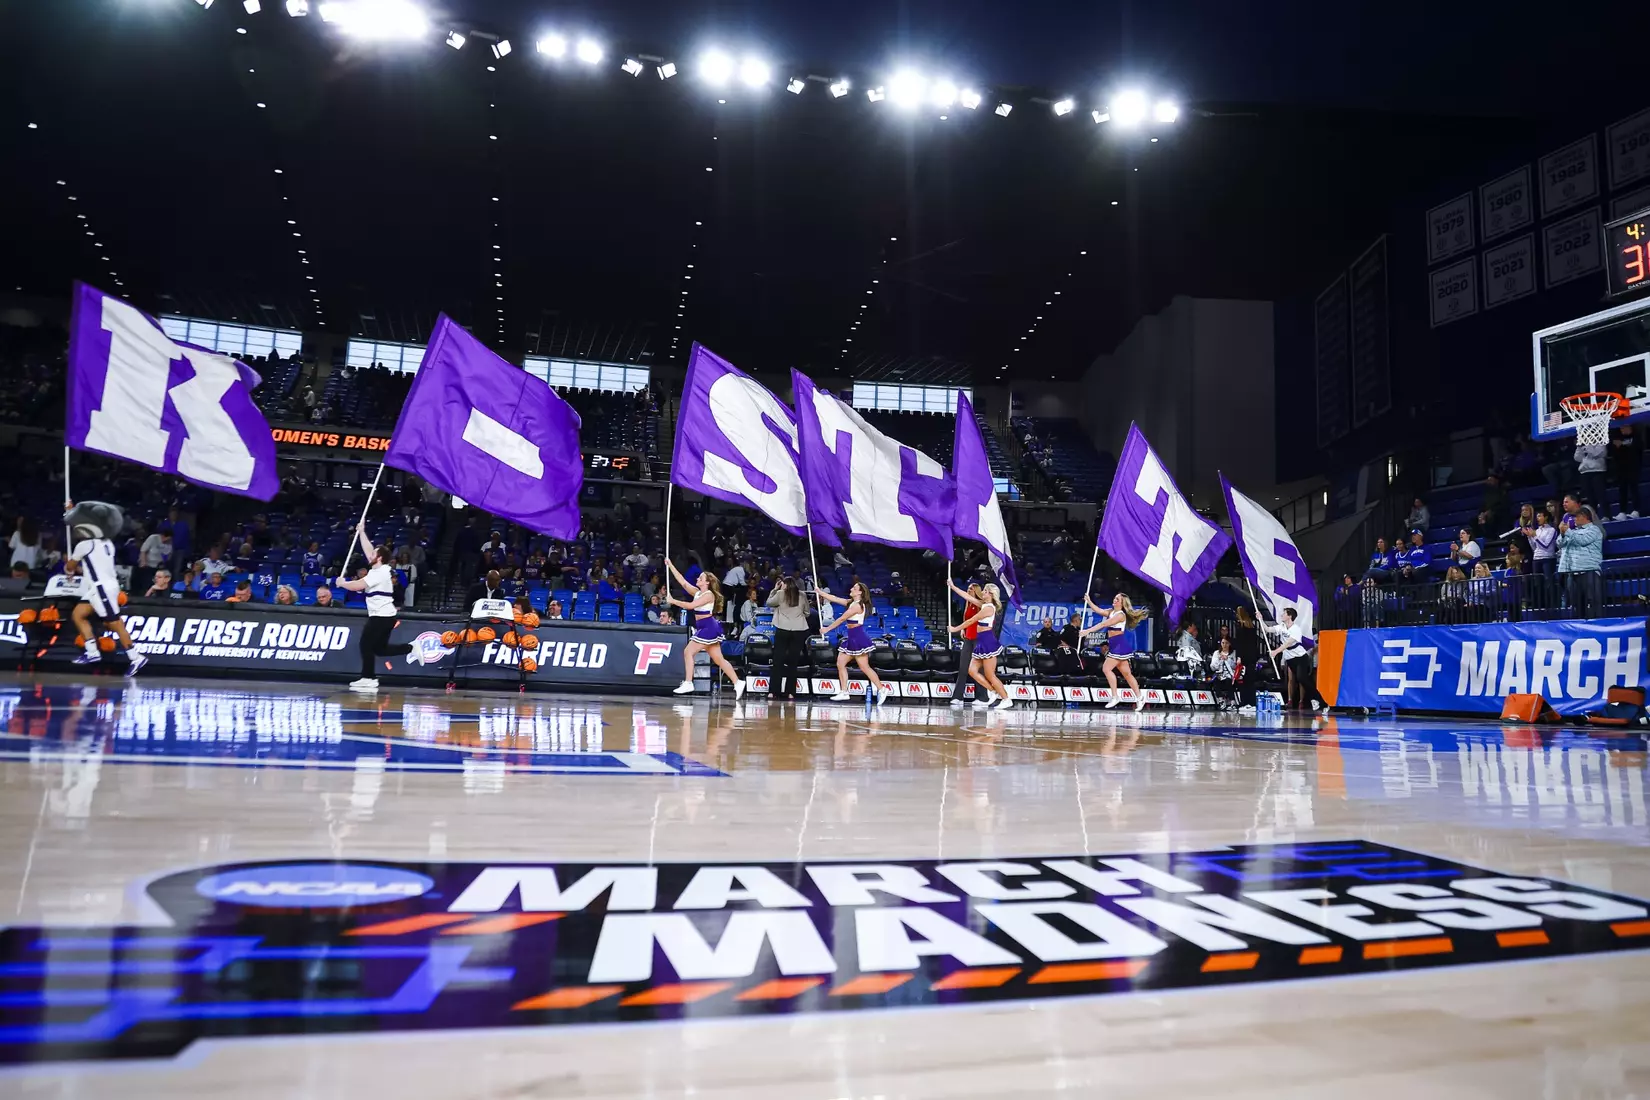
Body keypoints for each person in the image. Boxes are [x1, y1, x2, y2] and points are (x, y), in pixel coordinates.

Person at [62, 507, 147, 675]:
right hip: (99, 588)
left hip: (102, 589)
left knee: (114, 623)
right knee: (78, 614)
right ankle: (92, 652)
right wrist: (71, 512)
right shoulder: (108, 543)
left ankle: (135, 657)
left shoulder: (84, 545)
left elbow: (71, 566)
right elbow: (92, 566)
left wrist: (68, 567)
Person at [333, 521, 414, 692]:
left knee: (365, 645)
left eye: (374, 554)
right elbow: (369, 549)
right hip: (384, 616)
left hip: (381, 616)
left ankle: (368, 678)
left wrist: (343, 583)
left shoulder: (381, 572)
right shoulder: (378, 568)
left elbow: (358, 586)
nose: (369, 555)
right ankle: (413, 648)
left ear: (379, 558)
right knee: (380, 649)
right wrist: (362, 532)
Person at [662, 558, 746, 699]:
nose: (698, 578)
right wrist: (670, 565)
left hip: (708, 627)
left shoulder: (709, 595)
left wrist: (673, 601)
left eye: (701, 577)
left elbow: (690, 606)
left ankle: (689, 682)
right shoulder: (698, 593)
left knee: (688, 652)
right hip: (705, 627)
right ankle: (738, 682)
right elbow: (682, 581)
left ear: (707, 582)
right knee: (719, 660)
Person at [946, 583, 1013, 709]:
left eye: (986, 591)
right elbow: (967, 596)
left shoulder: (989, 608)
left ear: (991, 594)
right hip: (981, 641)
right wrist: (953, 586)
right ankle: (992, 692)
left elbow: (971, 620)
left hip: (987, 641)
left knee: (990, 675)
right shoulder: (984, 605)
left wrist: (955, 629)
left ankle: (1006, 698)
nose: (983, 592)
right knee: (972, 670)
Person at [1080, 593, 1150, 711]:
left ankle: (1115, 696)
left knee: (1106, 669)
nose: (1115, 600)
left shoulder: (1120, 615)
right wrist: (1089, 601)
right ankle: (1140, 697)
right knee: (1127, 674)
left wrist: (1087, 631)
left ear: (1122, 603)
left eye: (1117, 599)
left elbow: (1104, 624)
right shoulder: (1111, 611)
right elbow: (1099, 611)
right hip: (1114, 644)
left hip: (1119, 645)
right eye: (1115, 598)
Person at [766, 575, 810, 701]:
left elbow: (769, 603)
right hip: (799, 630)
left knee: (778, 661)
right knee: (793, 663)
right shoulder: (802, 595)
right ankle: (790, 693)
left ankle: (773, 692)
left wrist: (774, 589)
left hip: (782, 629)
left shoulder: (780, 593)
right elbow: (807, 612)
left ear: (785, 585)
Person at [1558, 504, 1604, 619]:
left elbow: (1582, 540)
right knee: (1576, 605)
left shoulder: (1594, 530)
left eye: (1577, 517)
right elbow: (1559, 544)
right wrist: (1563, 534)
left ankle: (1595, 627)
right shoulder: (1574, 531)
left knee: (1592, 603)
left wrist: (1568, 531)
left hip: (1589, 571)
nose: (1574, 519)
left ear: (1585, 517)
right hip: (1573, 572)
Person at [946, 579, 986, 706]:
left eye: (971, 589)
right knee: (963, 668)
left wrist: (953, 587)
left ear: (977, 591)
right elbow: (966, 617)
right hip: (968, 639)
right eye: (968, 588)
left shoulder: (982, 604)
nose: (969, 590)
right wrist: (963, 629)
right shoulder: (968, 602)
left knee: (978, 669)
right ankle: (958, 697)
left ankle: (982, 697)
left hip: (979, 639)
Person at [1267, 607, 1316, 711]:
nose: (1281, 615)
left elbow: (1288, 643)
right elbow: (1267, 629)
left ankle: (1316, 699)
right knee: (1294, 679)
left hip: (1300, 657)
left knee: (1301, 678)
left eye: (1284, 613)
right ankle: (1297, 700)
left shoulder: (1296, 629)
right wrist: (1260, 619)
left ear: (1289, 616)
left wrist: (1276, 651)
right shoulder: (1282, 627)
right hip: (1290, 659)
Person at [1609, 423, 1644, 520]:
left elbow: (1639, 448)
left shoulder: (1636, 437)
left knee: (1634, 489)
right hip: (1621, 468)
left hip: (1633, 467)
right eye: (1621, 427)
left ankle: (1636, 510)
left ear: (1630, 427)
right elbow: (1614, 452)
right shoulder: (1617, 437)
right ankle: (1622, 512)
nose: (1622, 429)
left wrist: (1623, 444)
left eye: (1624, 427)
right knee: (1622, 490)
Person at [1576, 433, 1610, 517]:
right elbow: (1577, 458)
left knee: (1601, 495)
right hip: (1585, 472)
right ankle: (1594, 517)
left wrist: (1588, 447)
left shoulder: (1600, 442)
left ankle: (1607, 516)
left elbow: (1599, 453)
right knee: (1590, 497)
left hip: (1597, 471)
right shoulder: (1582, 445)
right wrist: (1579, 447)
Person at [1209, 636, 1242, 710]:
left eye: (1226, 643)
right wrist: (1219, 660)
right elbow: (1213, 667)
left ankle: (1232, 702)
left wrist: (1228, 659)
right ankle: (1221, 701)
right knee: (1216, 681)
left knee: (1229, 681)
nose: (1224, 645)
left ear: (1229, 644)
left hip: (1230, 675)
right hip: (1219, 674)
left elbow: (1235, 666)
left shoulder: (1233, 653)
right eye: (1223, 643)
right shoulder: (1216, 653)